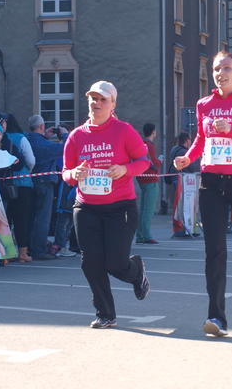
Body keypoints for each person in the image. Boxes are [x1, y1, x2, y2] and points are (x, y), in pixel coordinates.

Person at [173, 51, 232, 338]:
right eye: (216, 69)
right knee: (214, 251)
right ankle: (216, 316)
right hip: (212, 182)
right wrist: (187, 158)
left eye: (227, 68)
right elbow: (202, 139)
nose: (220, 73)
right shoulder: (204, 104)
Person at [62, 81, 151, 329]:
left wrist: (125, 169)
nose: (97, 103)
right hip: (86, 207)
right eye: (93, 98)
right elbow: (66, 173)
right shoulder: (76, 136)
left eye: (103, 99)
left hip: (120, 207)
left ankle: (136, 271)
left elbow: (144, 161)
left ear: (113, 104)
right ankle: (105, 314)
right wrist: (74, 174)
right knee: (91, 262)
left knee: (115, 263)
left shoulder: (124, 131)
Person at [25, 114, 68, 260]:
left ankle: (30, 247)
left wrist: (45, 136)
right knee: (43, 217)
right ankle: (39, 249)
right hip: (45, 182)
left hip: (31, 182)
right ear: (42, 126)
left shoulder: (27, 140)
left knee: (32, 216)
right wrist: (65, 135)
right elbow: (66, 148)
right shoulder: (45, 145)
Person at [3, 114, 36, 263]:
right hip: (22, 184)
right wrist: (26, 172)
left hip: (4, 183)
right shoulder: (21, 138)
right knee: (22, 219)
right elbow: (31, 160)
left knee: (5, 218)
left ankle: (6, 252)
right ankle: (23, 252)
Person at [167, 132, 199, 237]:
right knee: (184, 205)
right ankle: (183, 228)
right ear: (187, 140)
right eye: (190, 140)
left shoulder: (174, 150)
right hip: (183, 181)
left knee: (178, 205)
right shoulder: (185, 152)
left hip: (175, 179)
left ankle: (181, 227)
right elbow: (192, 167)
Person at [136, 122, 161, 244]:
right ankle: (146, 235)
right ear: (153, 132)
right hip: (151, 178)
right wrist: (160, 161)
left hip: (142, 178)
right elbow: (154, 162)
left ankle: (140, 235)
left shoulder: (141, 144)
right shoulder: (150, 145)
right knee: (148, 210)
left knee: (143, 209)